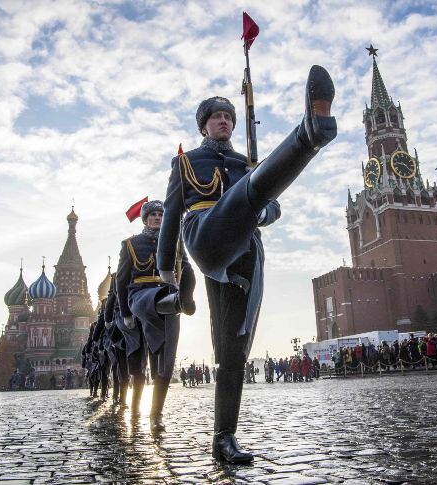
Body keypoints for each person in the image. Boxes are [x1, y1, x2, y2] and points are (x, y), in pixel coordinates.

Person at [156, 65, 336, 462]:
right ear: (204, 126)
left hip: (244, 252)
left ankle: (224, 438)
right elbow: (170, 217)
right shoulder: (186, 164)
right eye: (217, 117)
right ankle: (310, 133)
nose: (224, 121)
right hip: (204, 234)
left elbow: (273, 206)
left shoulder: (246, 164)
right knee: (246, 195)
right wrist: (168, 272)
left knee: (232, 349)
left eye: (229, 118)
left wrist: (266, 212)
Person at [116, 200, 196, 432]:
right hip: (140, 296)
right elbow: (121, 281)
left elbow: (186, 267)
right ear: (145, 218)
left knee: (165, 363)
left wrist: (188, 283)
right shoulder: (131, 244)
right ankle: (178, 301)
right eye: (153, 214)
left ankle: (155, 415)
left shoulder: (174, 241)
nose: (158, 218)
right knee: (156, 299)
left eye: (162, 214)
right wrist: (125, 313)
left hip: (170, 300)